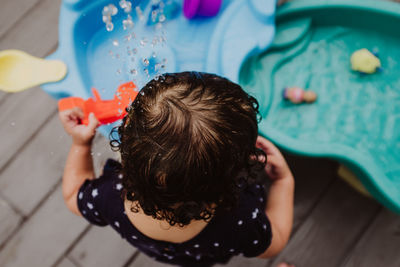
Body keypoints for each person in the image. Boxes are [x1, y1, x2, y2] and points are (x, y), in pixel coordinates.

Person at [59, 72, 294, 266]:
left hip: (167, 252)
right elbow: (277, 240)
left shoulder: (110, 195)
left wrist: (81, 144)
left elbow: (73, 195)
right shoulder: (240, 220)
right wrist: (284, 182)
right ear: (234, 177)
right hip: (209, 250)